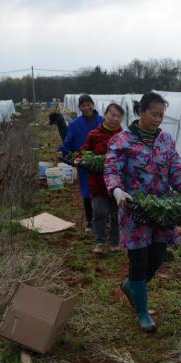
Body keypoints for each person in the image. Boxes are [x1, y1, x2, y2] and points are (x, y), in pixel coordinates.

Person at [104, 92, 181, 333]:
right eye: (153, 114)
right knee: (139, 259)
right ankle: (142, 312)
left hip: (161, 210)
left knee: (155, 259)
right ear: (140, 112)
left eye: (161, 115)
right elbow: (111, 168)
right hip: (134, 209)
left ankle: (129, 286)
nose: (157, 119)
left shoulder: (165, 140)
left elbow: (175, 167)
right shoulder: (122, 140)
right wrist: (117, 191)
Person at [75, 103, 124, 254]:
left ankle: (114, 241)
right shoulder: (94, 134)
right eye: (112, 115)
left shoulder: (123, 136)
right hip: (98, 181)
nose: (115, 119)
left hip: (118, 182)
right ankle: (100, 241)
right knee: (100, 212)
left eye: (119, 117)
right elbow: (83, 151)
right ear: (105, 114)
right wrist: (78, 159)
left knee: (116, 213)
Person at [57, 95, 104, 231]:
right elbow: (69, 140)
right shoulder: (75, 124)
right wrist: (62, 150)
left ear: (93, 105)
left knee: (102, 191)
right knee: (87, 191)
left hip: (101, 162)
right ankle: (90, 221)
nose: (86, 107)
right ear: (80, 108)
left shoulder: (102, 121)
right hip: (83, 162)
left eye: (88, 104)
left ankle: (103, 219)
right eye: (83, 105)